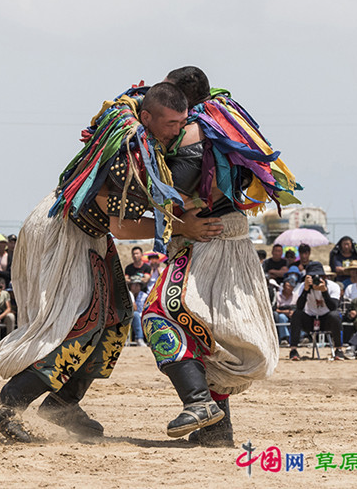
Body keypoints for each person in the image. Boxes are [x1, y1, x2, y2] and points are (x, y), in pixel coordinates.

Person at [0, 81, 229, 443]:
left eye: (181, 122)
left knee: (117, 317)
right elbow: (120, 222)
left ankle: (63, 403)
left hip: (93, 234)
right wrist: (181, 226)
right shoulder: (128, 151)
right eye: (170, 124)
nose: (177, 130)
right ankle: (6, 404)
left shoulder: (148, 143)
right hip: (65, 231)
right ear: (147, 117)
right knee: (81, 324)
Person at [140, 66, 300, 447]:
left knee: (158, 314)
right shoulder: (225, 124)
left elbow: (172, 191)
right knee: (210, 332)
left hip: (207, 241)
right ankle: (217, 430)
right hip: (235, 240)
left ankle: (198, 404)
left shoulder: (193, 131)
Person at [288, 262, 344, 361]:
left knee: (335, 315)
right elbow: (300, 307)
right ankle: (293, 350)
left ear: (324, 277)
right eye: (313, 277)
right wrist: (305, 290)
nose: (316, 280)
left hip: (326, 319)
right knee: (296, 314)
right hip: (310, 319)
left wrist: (324, 292)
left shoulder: (333, 286)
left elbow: (333, 307)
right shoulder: (303, 286)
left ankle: (339, 349)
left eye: (319, 276)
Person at [273, 275, 297, 345]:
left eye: (292, 287)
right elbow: (275, 309)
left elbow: (299, 307)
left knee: (298, 316)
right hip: (281, 313)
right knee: (282, 317)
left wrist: (293, 312)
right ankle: (284, 338)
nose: (290, 288)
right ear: (283, 286)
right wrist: (284, 312)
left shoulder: (295, 296)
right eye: (288, 286)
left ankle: (303, 337)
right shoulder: (277, 295)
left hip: (293, 313)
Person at [127, 275, 147, 346]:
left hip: (142, 315)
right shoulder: (128, 294)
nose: (136, 286)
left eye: (138, 285)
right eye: (134, 284)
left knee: (137, 315)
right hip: (130, 315)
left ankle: (140, 338)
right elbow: (134, 309)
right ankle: (139, 338)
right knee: (135, 315)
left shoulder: (144, 296)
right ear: (131, 286)